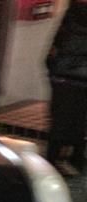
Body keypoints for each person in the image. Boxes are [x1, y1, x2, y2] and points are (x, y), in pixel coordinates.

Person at [46, 0, 87, 176]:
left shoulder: (71, 14)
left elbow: (56, 47)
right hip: (82, 79)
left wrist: (52, 67)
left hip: (62, 76)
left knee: (59, 120)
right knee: (79, 120)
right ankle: (76, 161)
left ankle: (52, 160)